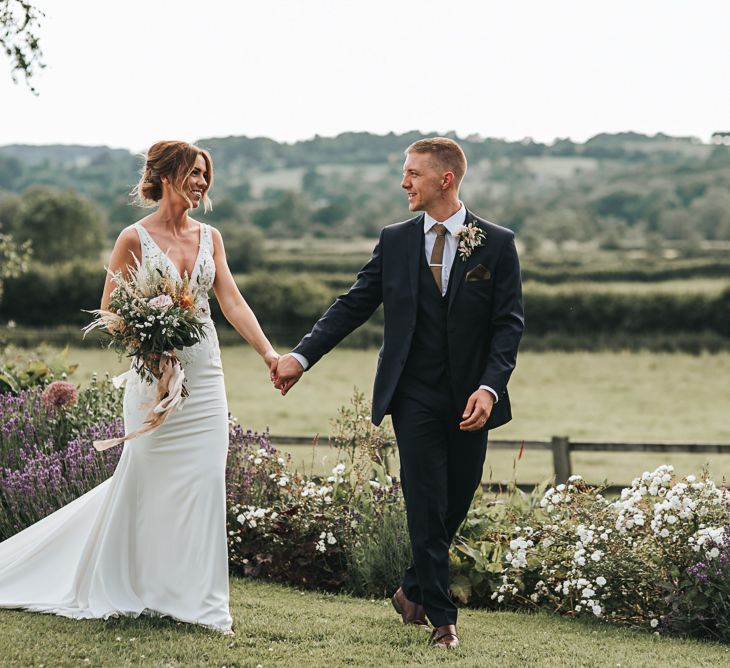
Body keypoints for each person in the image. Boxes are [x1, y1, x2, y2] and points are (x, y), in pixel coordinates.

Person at [0, 140, 279, 634]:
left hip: (206, 378)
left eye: (205, 175)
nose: (202, 183)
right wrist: (150, 345)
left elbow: (232, 302)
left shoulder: (210, 236)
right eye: (194, 173)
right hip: (153, 382)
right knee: (147, 483)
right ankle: (138, 586)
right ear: (168, 175)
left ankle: (201, 603)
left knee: (205, 485)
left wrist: (269, 354)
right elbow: (110, 311)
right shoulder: (133, 238)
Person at [274, 137, 524, 648]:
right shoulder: (395, 240)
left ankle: (410, 589)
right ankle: (442, 618)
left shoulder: (495, 243)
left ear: (445, 180)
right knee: (425, 500)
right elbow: (354, 304)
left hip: (471, 398)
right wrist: (301, 357)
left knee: (454, 499)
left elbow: (508, 326)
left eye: (413, 173)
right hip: (412, 395)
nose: (404, 182)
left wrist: (490, 388)